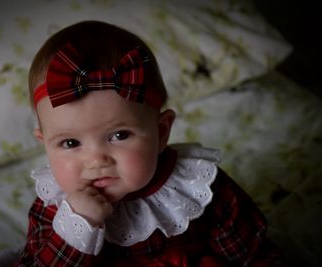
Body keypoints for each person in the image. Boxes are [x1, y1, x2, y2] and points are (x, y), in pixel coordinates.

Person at [17, 20, 288, 266]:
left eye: (119, 135)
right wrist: (77, 227)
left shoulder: (198, 188)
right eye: (70, 142)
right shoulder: (53, 208)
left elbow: (252, 254)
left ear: (161, 132)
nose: (97, 160)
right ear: (45, 144)